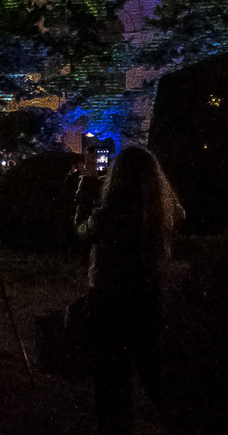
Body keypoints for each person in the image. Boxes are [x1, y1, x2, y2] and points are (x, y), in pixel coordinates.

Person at [74, 145, 184, 435]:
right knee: (151, 370)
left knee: (110, 377)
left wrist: (85, 193)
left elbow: (82, 231)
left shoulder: (112, 208)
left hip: (110, 299)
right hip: (147, 295)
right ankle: (181, 421)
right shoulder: (158, 208)